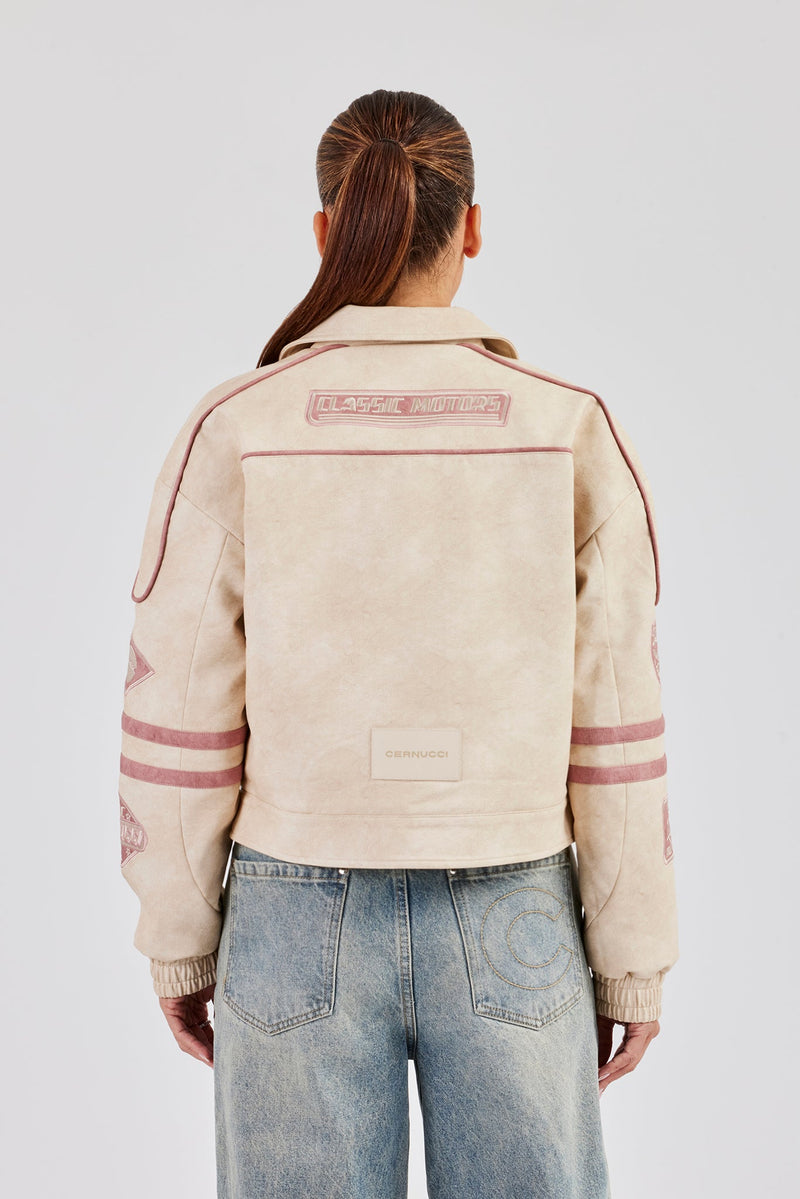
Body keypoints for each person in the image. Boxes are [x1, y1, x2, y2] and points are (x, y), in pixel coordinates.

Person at [118, 88, 679, 1198]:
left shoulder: (238, 425)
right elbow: (615, 718)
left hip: (289, 915)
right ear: (471, 228)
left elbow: (178, 704)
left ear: (327, 229)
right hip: (515, 904)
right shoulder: (564, 426)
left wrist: (176, 935)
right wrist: (632, 955)